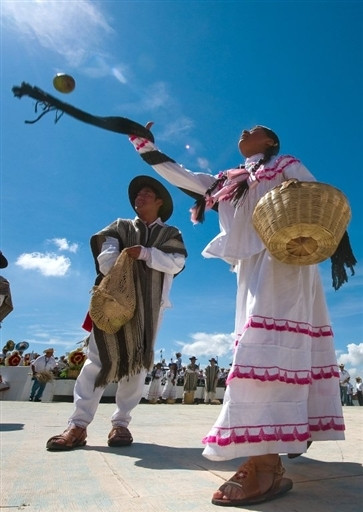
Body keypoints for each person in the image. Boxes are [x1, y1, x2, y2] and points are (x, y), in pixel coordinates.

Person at [129, 125, 348, 506]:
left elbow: (318, 200)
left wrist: (330, 245)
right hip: (250, 268)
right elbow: (181, 174)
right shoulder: (228, 179)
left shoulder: (284, 164)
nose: (246, 130)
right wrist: (144, 145)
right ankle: (288, 431)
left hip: (286, 260)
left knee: (266, 349)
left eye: (257, 130)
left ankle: (266, 462)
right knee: (259, 348)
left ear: (270, 143)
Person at [46, 175, 187, 451]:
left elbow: (176, 262)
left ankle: (121, 423)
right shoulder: (119, 226)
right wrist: (124, 261)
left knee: (137, 363)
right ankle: (78, 425)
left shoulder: (171, 234)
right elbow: (106, 258)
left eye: (146, 194)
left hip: (149, 308)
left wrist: (145, 253)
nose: (139, 197)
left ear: (160, 201)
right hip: (112, 302)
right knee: (97, 360)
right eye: (137, 194)